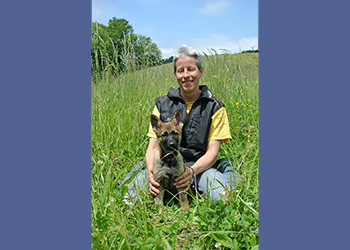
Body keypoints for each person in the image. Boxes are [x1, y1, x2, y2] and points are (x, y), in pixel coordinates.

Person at [122, 46, 238, 203]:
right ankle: (139, 171)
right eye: (180, 70)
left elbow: (212, 152)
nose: (186, 75)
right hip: (162, 164)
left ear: (200, 71)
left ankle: (226, 170)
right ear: (175, 74)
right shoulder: (162, 104)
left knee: (224, 197)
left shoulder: (214, 107)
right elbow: (152, 148)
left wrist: (191, 171)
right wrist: (151, 174)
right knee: (128, 198)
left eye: (191, 69)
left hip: (198, 167)